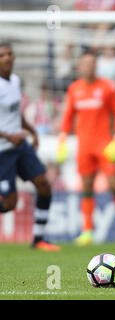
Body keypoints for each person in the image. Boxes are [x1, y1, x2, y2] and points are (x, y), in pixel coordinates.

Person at [58, 50, 115, 246]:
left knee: (114, 186)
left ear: (96, 66)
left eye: (93, 63)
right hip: (84, 146)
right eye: (86, 63)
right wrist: (62, 139)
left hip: (105, 145)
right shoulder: (74, 89)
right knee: (86, 187)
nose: (90, 66)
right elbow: (67, 116)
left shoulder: (107, 87)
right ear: (80, 66)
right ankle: (87, 231)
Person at [0, 42, 60, 251]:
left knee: (43, 184)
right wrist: (7, 135)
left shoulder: (15, 81)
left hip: (20, 145)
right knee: (9, 205)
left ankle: (38, 239)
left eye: (9, 54)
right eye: (2, 55)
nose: (7, 58)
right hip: (2, 151)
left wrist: (32, 131)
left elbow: (14, 114)